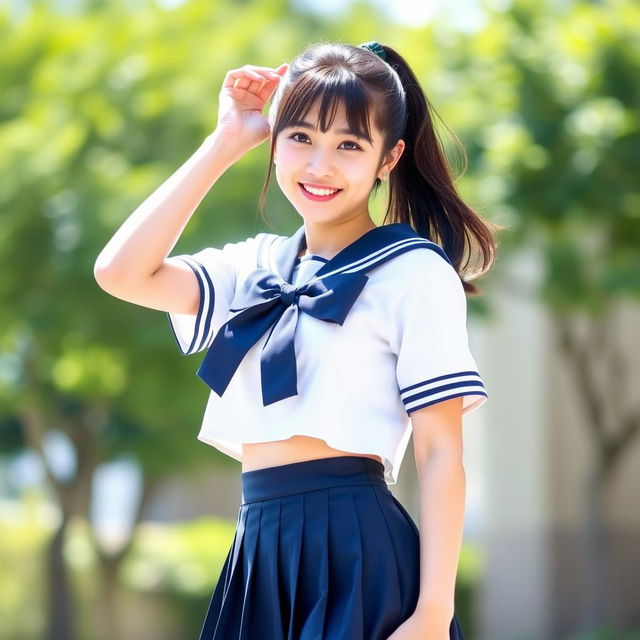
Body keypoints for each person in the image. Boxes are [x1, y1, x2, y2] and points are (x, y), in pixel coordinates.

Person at [94, 40, 499, 640]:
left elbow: (441, 454)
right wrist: (225, 142)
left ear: (389, 159)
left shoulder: (413, 272)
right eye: (301, 137)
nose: (319, 166)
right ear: (276, 140)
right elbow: (121, 273)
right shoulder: (257, 266)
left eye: (349, 146)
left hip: (357, 548)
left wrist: (433, 614)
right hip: (259, 548)